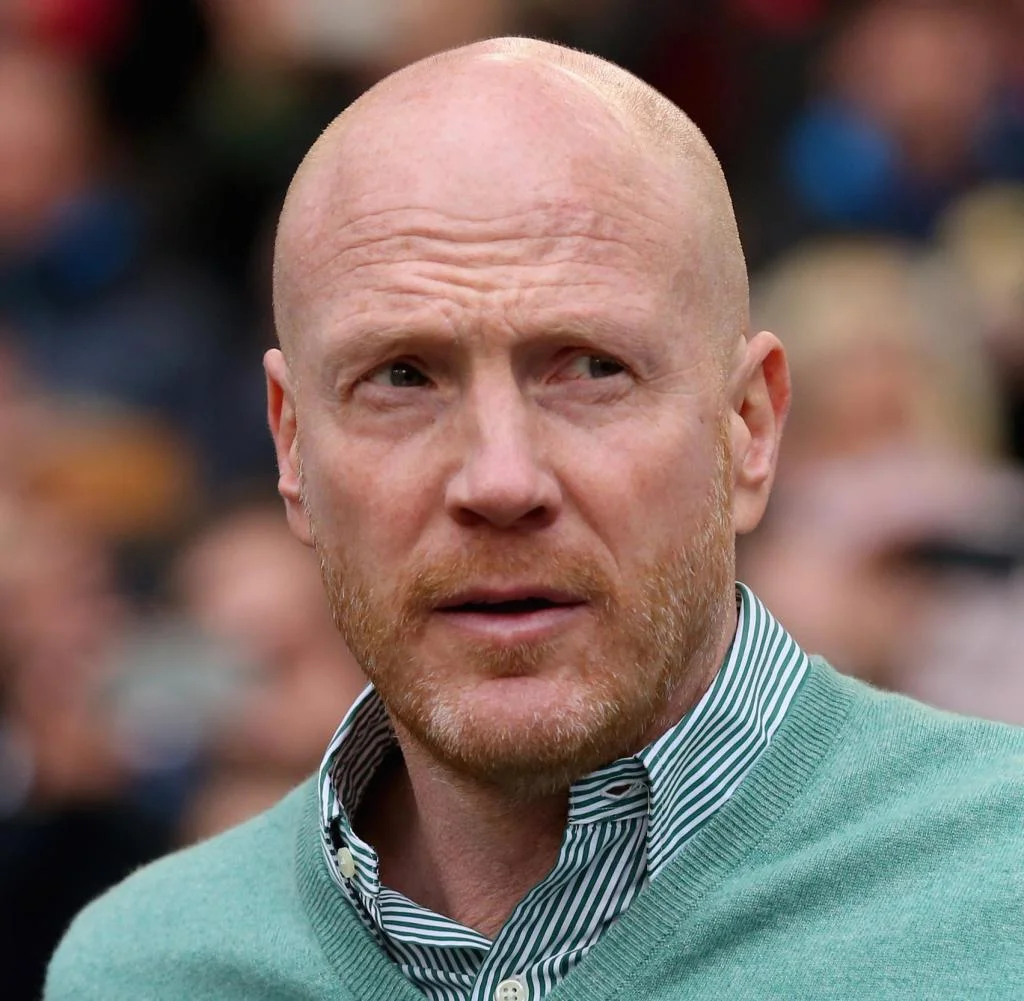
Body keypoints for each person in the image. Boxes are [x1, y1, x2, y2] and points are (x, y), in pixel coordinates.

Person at [45, 37, 1024, 1001]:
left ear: (750, 426)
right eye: (401, 377)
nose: (501, 479)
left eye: (592, 368)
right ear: (292, 449)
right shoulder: (143, 970)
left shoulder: (998, 883)